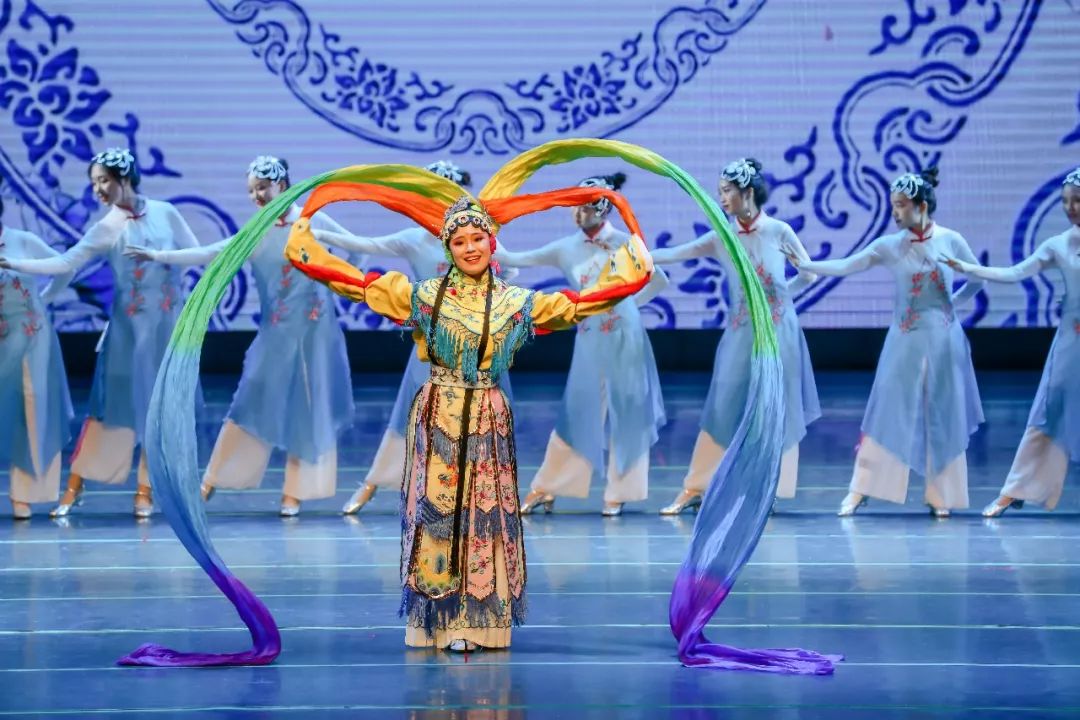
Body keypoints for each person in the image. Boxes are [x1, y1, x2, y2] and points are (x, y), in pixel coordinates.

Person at [124, 155, 356, 516]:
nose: (256, 196)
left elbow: (353, 247)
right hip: (276, 333)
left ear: (282, 184)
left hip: (316, 332)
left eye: (262, 187)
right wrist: (158, 255)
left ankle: (295, 492)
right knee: (250, 400)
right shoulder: (255, 230)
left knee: (310, 407)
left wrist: (341, 280)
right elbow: (212, 253)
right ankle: (213, 479)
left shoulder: (313, 220)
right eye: (251, 190)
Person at [0, 148, 200, 518]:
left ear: (124, 178)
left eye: (103, 181)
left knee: (160, 412)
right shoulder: (108, 227)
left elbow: (197, 254)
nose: (97, 190)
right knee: (110, 409)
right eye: (93, 183)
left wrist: (166, 273)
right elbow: (66, 262)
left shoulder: (166, 213)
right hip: (128, 333)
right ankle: (75, 485)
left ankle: (146, 490)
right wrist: (16, 264)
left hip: (166, 328)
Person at [786, 168, 985, 518]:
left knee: (943, 413)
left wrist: (951, 306)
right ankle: (862, 489)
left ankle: (942, 495)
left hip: (944, 340)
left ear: (921, 206)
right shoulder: (890, 246)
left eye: (901, 205)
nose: (895, 212)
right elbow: (848, 265)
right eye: (893, 205)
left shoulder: (951, 240)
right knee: (887, 411)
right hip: (904, 339)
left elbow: (976, 279)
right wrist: (806, 264)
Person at [651, 159, 820, 515]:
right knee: (723, 402)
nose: (722, 198)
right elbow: (679, 253)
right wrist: (638, 256)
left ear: (748, 192)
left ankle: (766, 489)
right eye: (720, 192)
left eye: (727, 191)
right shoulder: (722, 237)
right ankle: (697, 486)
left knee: (773, 408)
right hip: (741, 331)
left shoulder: (779, 231)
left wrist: (777, 301)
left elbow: (809, 275)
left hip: (779, 332)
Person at [501, 173, 667, 516]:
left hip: (626, 336)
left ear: (603, 208)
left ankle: (620, 492)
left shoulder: (627, 243)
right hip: (590, 336)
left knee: (629, 410)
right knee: (577, 410)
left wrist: (628, 306)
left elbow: (657, 280)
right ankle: (548, 487)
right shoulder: (565, 248)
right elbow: (515, 259)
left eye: (586, 206)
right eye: (574, 205)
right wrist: (484, 233)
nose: (577, 212)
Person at [944, 167, 1080, 517]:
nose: (1071, 208)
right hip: (1072, 342)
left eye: (1077, 200)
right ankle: (1015, 490)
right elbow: (1016, 272)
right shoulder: (1059, 245)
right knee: (1048, 413)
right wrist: (970, 269)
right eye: (1066, 201)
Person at [0, 191, 74, 519]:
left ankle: (26, 493)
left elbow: (65, 266)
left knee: (31, 405)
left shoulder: (23, 241)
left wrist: (46, 298)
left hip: (31, 335)